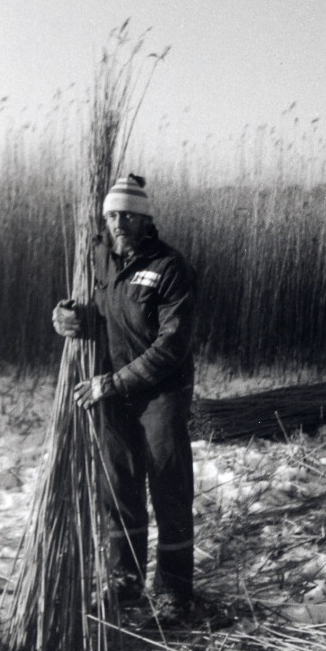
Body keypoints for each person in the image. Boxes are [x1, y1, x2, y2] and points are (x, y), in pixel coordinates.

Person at [52, 174, 197, 621]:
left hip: (159, 393)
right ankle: (125, 578)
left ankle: (173, 590)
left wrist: (112, 384)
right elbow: (95, 314)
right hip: (109, 389)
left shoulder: (171, 268)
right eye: (113, 214)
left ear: (146, 218)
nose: (119, 223)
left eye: (129, 215)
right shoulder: (98, 258)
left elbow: (172, 347)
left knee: (169, 487)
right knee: (119, 485)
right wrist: (66, 317)